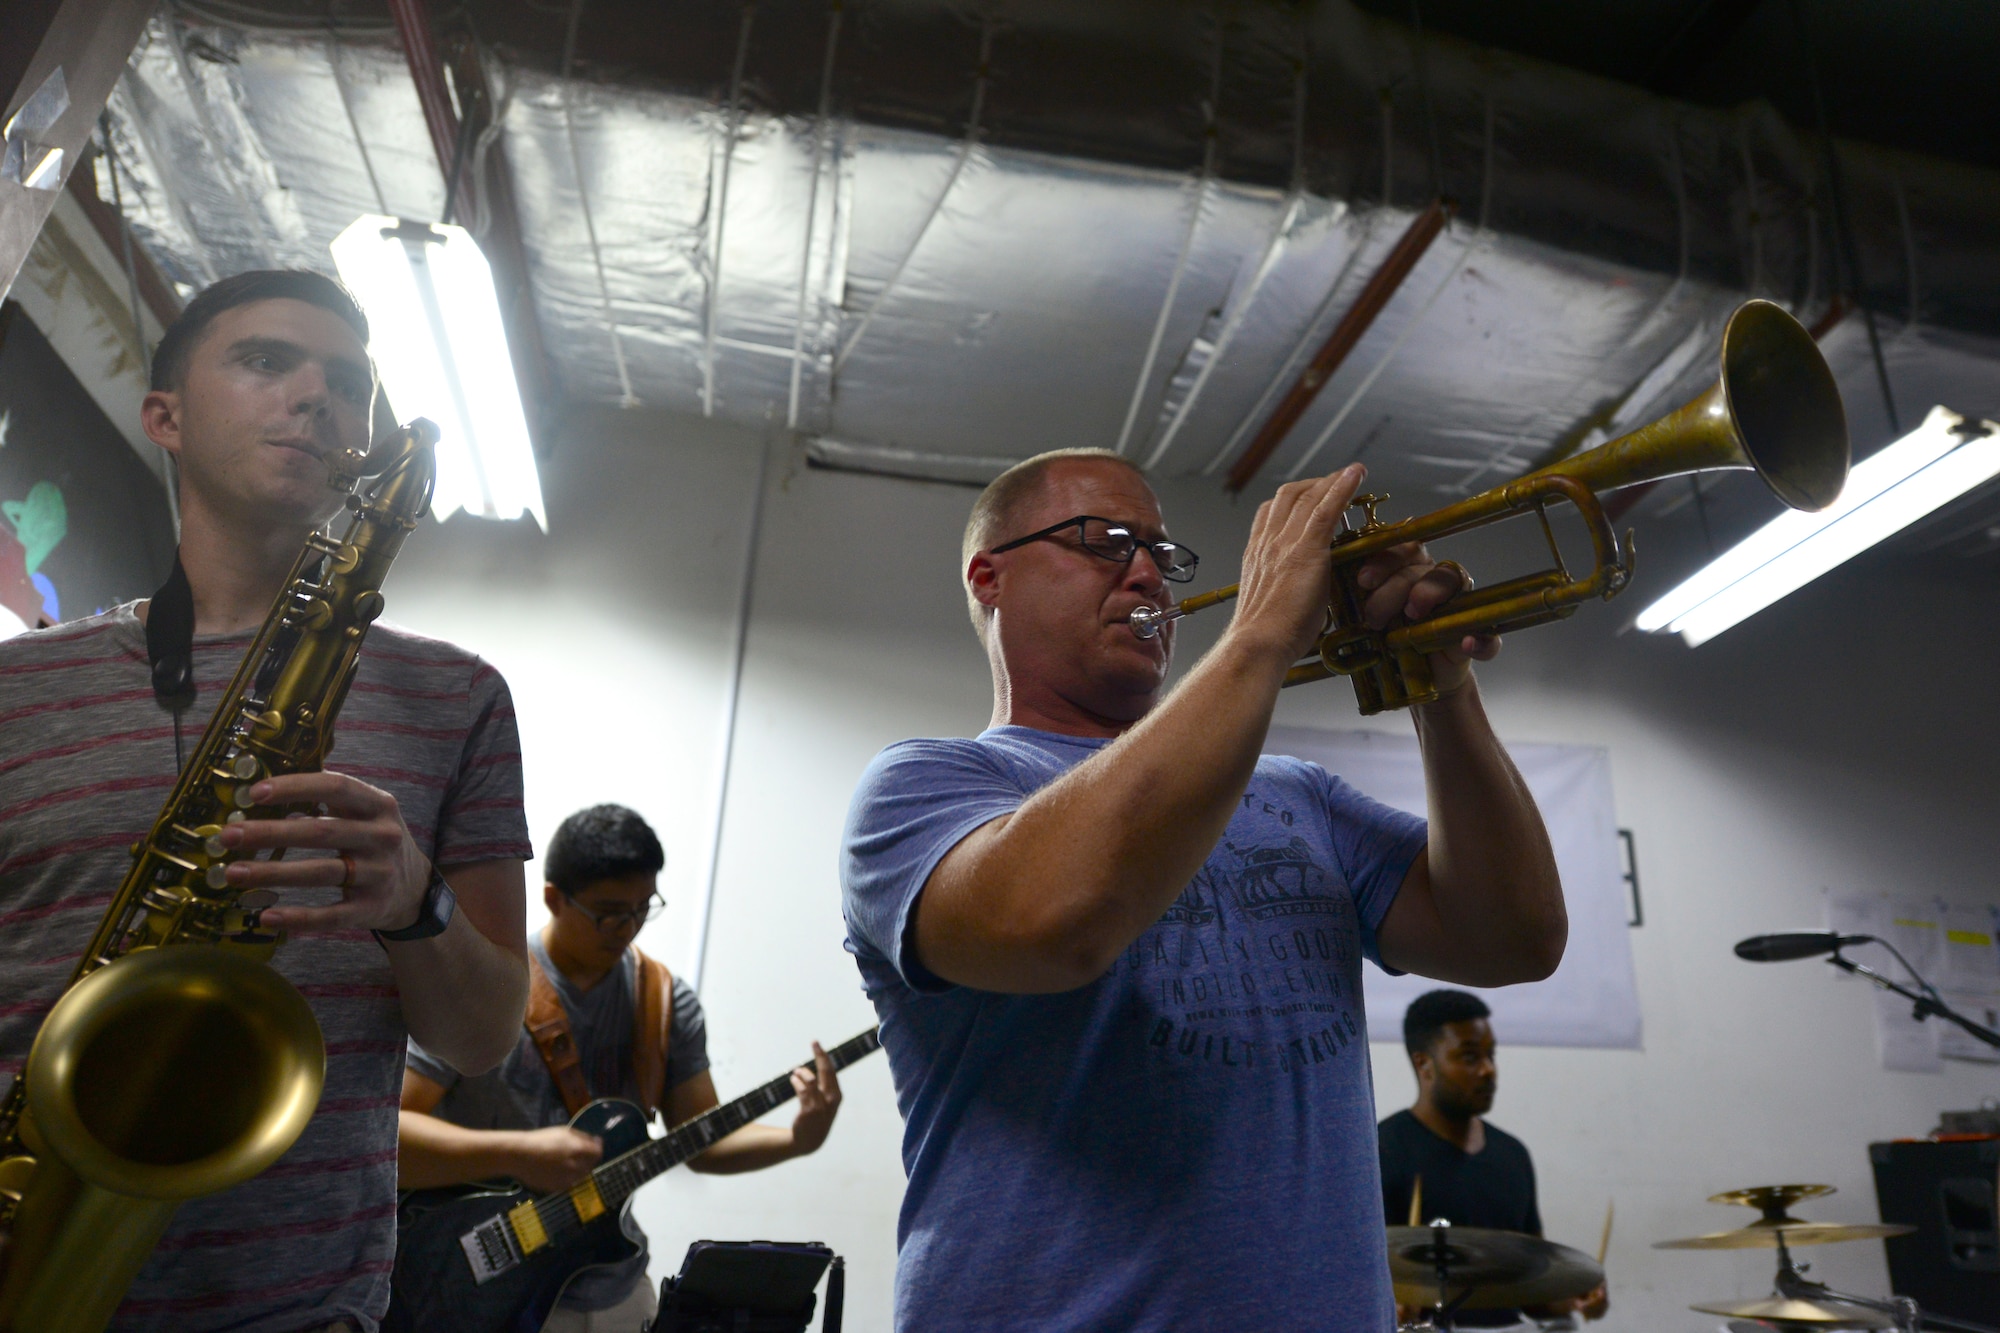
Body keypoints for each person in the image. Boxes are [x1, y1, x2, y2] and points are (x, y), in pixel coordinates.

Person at [841, 447, 1569, 1331]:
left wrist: (1439, 682)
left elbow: (1515, 937)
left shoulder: (1301, 794)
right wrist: (1261, 632)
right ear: (989, 577)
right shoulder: (926, 786)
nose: (1148, 572)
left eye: (1160, 551)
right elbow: (1055, 922)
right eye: (1103, 540)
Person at [0, 270, 532, 1330]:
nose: (314, 394)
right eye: (262, 361)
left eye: (346, 380)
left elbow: (482, 1042)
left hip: (298, 1307)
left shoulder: (456, 698)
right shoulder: (18, 690)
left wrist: (413, 901)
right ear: (166, 416)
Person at [399, 803, 846, 1333]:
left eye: (643, 907)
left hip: (610, 1283)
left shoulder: (662, 1001)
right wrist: (517, 1154)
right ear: (553, 899)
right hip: (472, 1280)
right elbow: (392, 1135)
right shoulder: (492, 988)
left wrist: (799, 1139)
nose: (628, 928)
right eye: (610, 912)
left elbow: (699, 1142)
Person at [1379, 990, 1609, 1326]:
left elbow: (1533, 1290)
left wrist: (1576, 1299)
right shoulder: (1381, 1151)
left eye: (1491, 1055)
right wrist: (1391, 1308)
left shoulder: (1512, 1156)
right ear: (1424, 1064)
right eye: (1470, 1057)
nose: (1488, 1070)